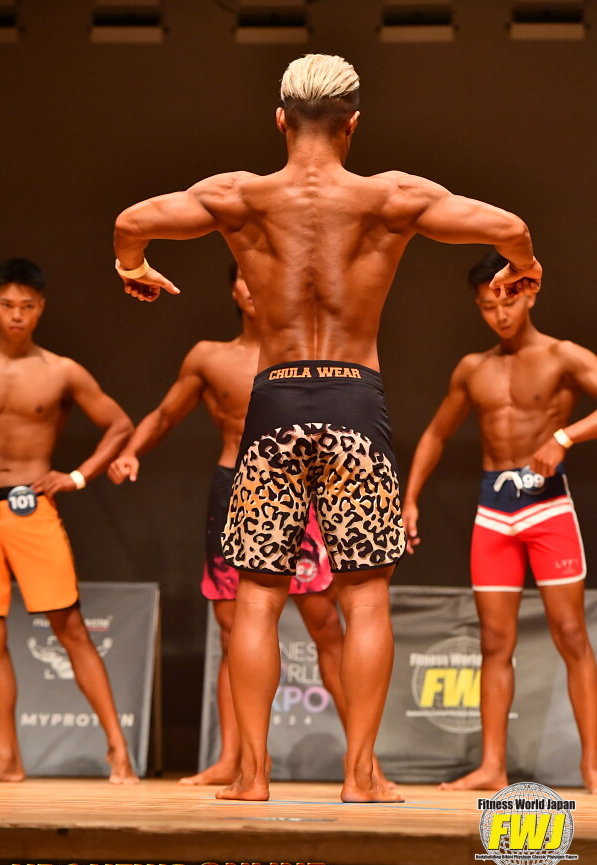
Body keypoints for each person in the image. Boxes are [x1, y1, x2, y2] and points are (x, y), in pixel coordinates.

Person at [112, 54, 541, 802]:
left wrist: (132, 268)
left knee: (256, 596)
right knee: (364, 596)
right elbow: (509, 228)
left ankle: (252, 776)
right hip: (353, 405)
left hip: (273, 405)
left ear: (280, 120)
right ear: (353, 125)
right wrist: (523, 267)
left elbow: (131, 223)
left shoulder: (239, 196)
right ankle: (360, 775)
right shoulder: (391, 197)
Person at [108, 263, 393, 787]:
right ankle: (234, 760)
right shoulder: (209, 357)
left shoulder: (313, 353)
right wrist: (132, 451)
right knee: (234, 624)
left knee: (328, 626)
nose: (256, 285)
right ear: (235, 290)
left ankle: (365, 763)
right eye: (244, 276)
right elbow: (166, 414)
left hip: (313, 487)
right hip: (237, 484)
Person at [402, 249, 597, 793]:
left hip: (548, 506)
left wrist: (565, 437)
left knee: (571, 633)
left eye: (507, 302)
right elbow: (436, 434)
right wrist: (410, 498)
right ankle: (492, 766)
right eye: (487, 307)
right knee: (493, 641)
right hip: (494, 510)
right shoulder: (474, 369)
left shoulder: (561, 356)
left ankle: (593, 766)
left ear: (529, 292)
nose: (499, 315)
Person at [0, 258, 138, 784]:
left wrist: (77, 477)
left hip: (30, 505)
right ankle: (7, 759)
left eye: (26, 306)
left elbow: (119, 424)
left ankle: (118, 751)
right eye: (7, 305)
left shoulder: (60, 370)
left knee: (70, 628)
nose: (17, 315)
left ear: (41, 309)